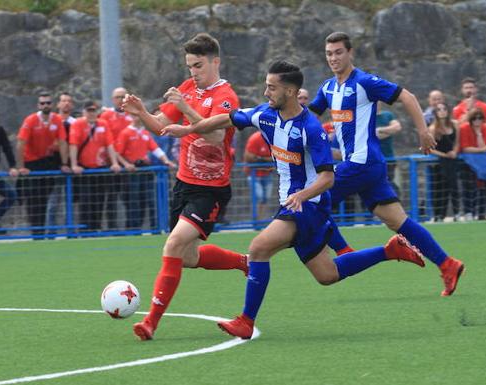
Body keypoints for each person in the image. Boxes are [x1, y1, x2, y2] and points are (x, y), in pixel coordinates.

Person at [160, 60, 425, 339]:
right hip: (295, 204)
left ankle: (245, 321)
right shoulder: (265, 114)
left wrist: (301, 195)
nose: (266, 93)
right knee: (327, 274)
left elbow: (328, 178)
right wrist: (190, 130)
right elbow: (228, 118)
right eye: (266, 86)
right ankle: (390, 250)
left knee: (259, 247)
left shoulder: (311, 129)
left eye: (271, 88)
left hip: (307, 206)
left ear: (289, 91)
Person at [308, 32, 464, 296]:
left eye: (338, 52)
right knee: (397, 220)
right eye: (329, 53)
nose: (333, 58)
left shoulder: (365, 82)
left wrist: (423, 131)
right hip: (368, 166)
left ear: (350, 53)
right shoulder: (327, 88)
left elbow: (408, 97)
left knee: (313, 200)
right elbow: (310, 114)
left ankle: (344, 251)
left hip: (363, 162)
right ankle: (448, 264)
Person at [121, 33, 246, 341]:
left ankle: (150, 321)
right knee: (187, 257)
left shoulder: (226, 96)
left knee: (173, 246)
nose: (193, 72)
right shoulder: (188, 88)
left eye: (199, 65)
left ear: (215, 62)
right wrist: (141, 114)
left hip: (211, 189)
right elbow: (162, 126)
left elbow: (216, 136)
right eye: (190, 65)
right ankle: (244, 262)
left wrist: (186, 112)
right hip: (183, 185)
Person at [16, 92, 70, 237]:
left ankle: (44, 232)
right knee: (34, 199)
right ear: (38, 105)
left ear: (52, 105)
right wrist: (21, 166)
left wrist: (64, 163)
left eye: (48, 103)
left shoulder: (57, 120)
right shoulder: (31, 120)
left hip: (46, 161)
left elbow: (63, 142)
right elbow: (21, 142)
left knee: (45, 198)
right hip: (32, 162)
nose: (45, 105)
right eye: (42, 103)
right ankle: (37, 232)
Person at [115, 114, 175, 230]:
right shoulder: (126, 133)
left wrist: (167, 161)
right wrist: (126, 164)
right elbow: (118, 153)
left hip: (145, 170)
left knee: (149, 198)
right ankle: (134, 227)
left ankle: (154, 226)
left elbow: (155, 148)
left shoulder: (145, 133)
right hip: (133, 171)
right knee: (134, 200)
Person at [69, 101, 122, 232]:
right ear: (84, 112)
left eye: (93, 111)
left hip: (100, 168)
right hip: (85, 168)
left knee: (100, 199)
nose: (91, 113)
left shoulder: (103, 124)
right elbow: (73, 144)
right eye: (89, 111)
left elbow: (109, 144)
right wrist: (74, 164)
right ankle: (85, 228)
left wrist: (114, 163)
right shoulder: (77, 124)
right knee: (85, 201)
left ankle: (97, 226)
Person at [100, 87, 133, 230]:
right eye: (118, 97)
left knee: (129, 198)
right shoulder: (106, 116)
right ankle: (112, 228)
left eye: (123, 96)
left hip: (129, 163)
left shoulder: (132, 114)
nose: (120, 100)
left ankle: (131, 228)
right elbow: (105, 140)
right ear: (113, 100)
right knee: (111, 198)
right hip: (112, 163)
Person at [45, 91, 77, 235]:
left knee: (71, 202)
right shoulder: (52, 121)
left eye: (69, 101)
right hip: (55, 167)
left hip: (71, 166)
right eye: (63, 100)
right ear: (58, 104)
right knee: (53, 201)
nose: (66, 103)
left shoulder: (75, 123)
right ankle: (51, 232)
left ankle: (72, 232)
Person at [458, 108, 486, 221]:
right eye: (475, 119)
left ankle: (481, 213)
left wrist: (479, 134)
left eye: (480, 118)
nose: (477, 121)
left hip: (481, 164)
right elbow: (465, 148)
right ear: (471, 120)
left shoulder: (485, 129)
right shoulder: (464, 128)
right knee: (468, 187)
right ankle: (469, 212)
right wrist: (481, 150)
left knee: (482, 188)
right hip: (467, 163)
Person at [428, 103, 460, 222]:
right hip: (440, 161)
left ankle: (457, 213)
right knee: (441, 188)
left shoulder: (455, 124)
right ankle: (439, 215)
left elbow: (457, 142)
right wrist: (444, 155)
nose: (442, 111)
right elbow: (430, 148)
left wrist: (454, 152)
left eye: (444, 109)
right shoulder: (433, 128)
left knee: (454, 186)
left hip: (452, 160)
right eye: (439, 109)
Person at [243, 130, 274, 221]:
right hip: (254, 174)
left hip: (267, 173)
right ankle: (255, 220)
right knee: (258, 197)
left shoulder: (274, 139)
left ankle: (261, 220)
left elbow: (276, 157)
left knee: (266, 199)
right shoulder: (255, 138)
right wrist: (266, 159)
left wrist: (260, 159)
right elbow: (249, 157)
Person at [375, 103, 402, 193]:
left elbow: (397, 127)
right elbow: (371, 136)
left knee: (388, 183)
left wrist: (380, 130)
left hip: (388, 159)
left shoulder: (388, 115)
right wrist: (389, 131)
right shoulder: (366, 116)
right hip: (372, 160)